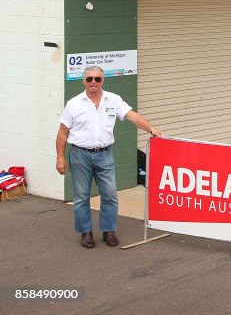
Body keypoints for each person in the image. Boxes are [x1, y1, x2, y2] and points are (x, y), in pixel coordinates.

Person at [56, 66, 162, 249]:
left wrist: (151, 129)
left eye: (97, 79)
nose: (93, 83)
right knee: (81, 197)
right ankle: (86, 232)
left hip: (104, 154)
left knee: (110, 194)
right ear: (84, 81)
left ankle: (108, 230)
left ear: (103, 81)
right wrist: (60, 158)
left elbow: (132, 116)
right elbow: (62, 133)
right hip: (79, 155)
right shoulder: (73, 104)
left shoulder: (113, 100)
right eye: (89, 79)